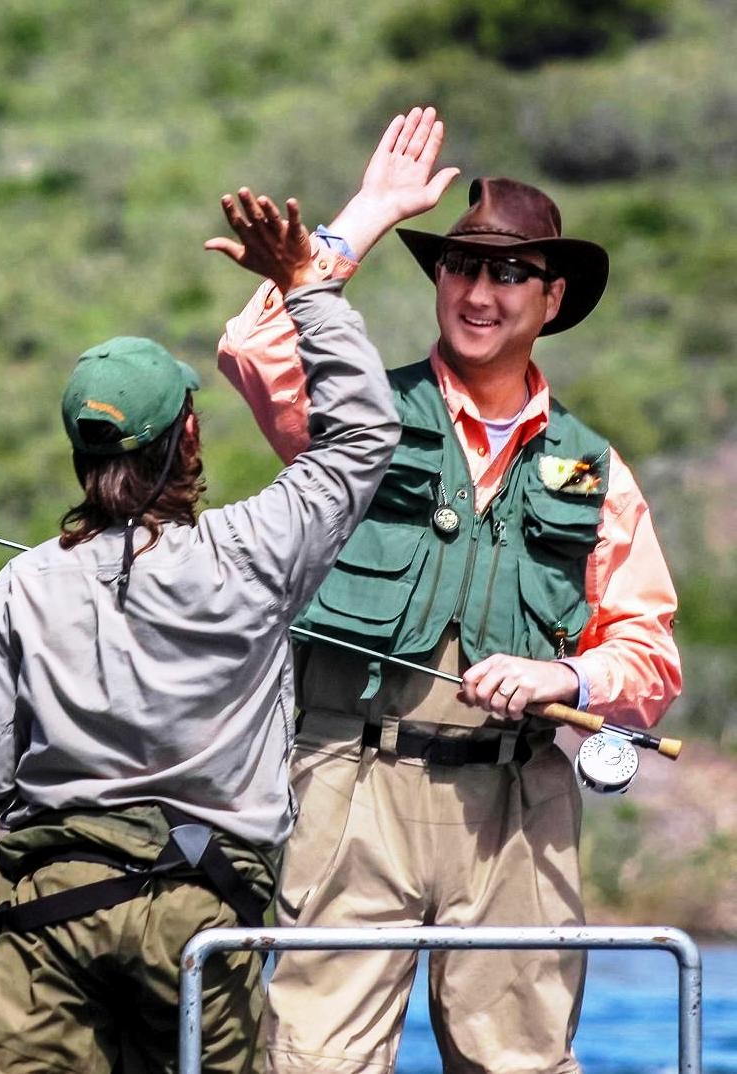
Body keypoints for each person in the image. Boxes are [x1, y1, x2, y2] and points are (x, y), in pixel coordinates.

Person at [215, 107, 683, 1073]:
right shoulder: (356, 414)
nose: (478, 292)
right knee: (310, 1062)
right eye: (460, 268)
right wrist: (370, 211)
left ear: (552, 298)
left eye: (509, 273)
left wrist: (564, 679)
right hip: (348, 788)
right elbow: (253, 347)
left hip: (518, 808)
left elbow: (648, 659)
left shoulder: (596, 470)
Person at [0, 191, 400, 1074]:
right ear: (187, 434)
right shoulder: (256, 550)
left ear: (81, 459)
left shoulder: (20, 585)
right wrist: (305, 286)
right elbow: (361, 437)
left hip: (55, 918)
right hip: (205, 917)